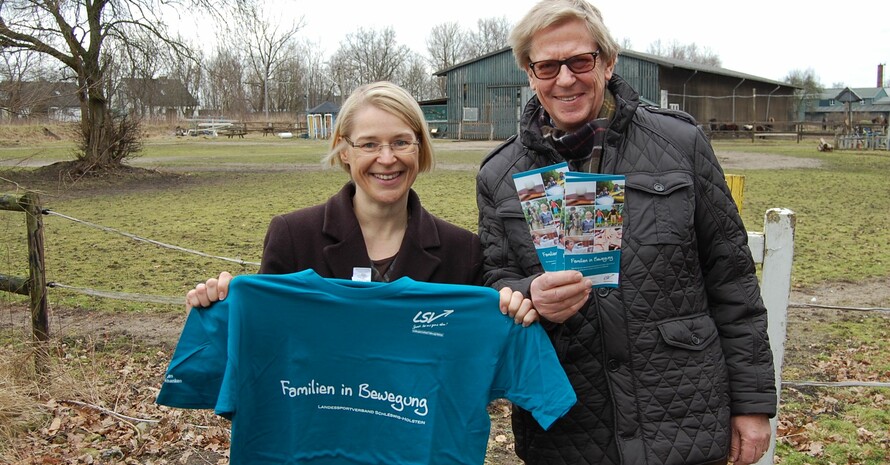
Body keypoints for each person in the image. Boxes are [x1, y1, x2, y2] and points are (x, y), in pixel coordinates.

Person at [474, 1, 776, 464]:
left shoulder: (679, 143)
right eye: (547, 66)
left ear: (608, 61)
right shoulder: (499, 174)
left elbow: (731, 277)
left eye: (580, 61)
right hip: (570, 426)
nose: (565, 78)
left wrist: (752, 405)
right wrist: (529, 292)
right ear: (530, 74)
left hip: (680, 412)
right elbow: (496, 276)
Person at [187, 81, 536, 327]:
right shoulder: (293, 238)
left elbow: (476, 366)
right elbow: (262, 347)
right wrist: (216, 313)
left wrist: (513, 313)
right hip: (321, 429)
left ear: (420, 147)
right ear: (344, 150)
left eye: (401, 142)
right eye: (369, 144)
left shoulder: (463, 252)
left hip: (418, 431)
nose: (387, 158)